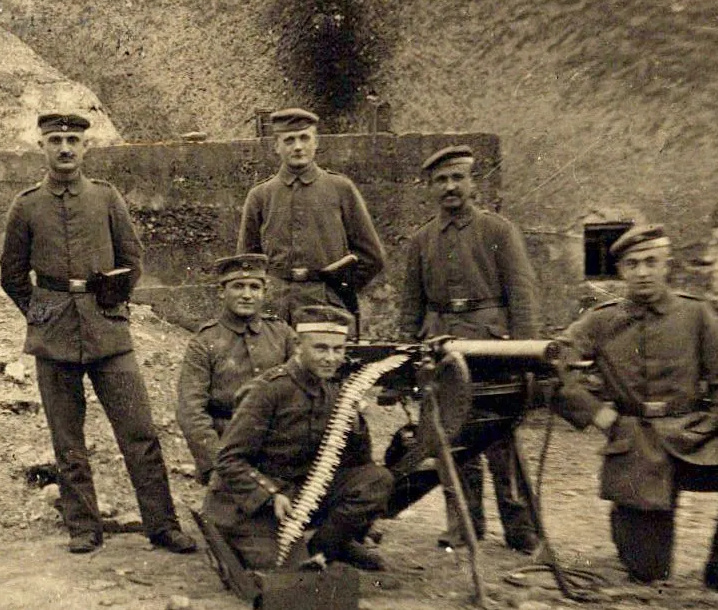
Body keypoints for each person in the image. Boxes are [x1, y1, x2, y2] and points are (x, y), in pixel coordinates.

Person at [0, 112, 197, 556]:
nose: (65, 148)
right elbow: (11, 274)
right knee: (67, 439)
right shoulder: (26, 205)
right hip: (54, 336)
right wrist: (40, 314)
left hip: (108, 332)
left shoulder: (106, 198)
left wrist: (113, 300)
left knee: (139, 430)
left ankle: (162, 524)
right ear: (42, 147)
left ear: (86, 148)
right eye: (56, 140)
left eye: (73, 140)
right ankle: (84, 526)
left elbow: (133, 256)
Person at [552, 224, 718, 598]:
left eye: (651, 262)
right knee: (650, 573)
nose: (642, 272)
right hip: (634, 447)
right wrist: (596, 414)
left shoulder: (696, 314)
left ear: (665, 264)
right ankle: (634, 527)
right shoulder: (600, 319)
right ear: (621, 271)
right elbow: (551, 365)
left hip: (693, 438)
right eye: (633, 264)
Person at [391, 145, 539, 552]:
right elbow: (411, 305)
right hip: (440, 345)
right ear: (430, 188)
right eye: (441, 181)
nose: (450, 187)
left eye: (458, 178)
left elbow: (522, 295)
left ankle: (520, 527)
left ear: (473, 183)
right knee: (448, 436)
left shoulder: (498, 231)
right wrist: (408, 355)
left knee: (499, 436)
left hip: (492, 346)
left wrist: (525, 353)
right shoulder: (422, 240)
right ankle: (465, 525)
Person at [204, 305, 393, 572]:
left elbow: (356, 464)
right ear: (298, 346)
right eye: (321, 348)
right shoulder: (268, 390)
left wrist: (357, 424)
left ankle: (327, 547)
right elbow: (227, 460)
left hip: (300, 495)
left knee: (376, 480)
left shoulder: (333, 390)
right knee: (286, 576)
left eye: (337, 349)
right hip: (251, 503)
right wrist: (271, 494)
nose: (330, 358)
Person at [236, 108, 385, 326]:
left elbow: (372, 257)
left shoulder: (341, 188)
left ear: (316, 142)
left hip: (325, 304)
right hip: (273, 306)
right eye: (289, 140)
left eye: (304, 138)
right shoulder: (260, 195)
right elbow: (246, 261)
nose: (298, 147)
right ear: (276, 146)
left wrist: (339, 290)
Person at [175, 253, 295, 483]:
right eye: (238, 286)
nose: (247, 295)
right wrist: (217, 465)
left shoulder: (283, 334)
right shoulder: (203, 342)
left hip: (280, 446)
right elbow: (191, 412)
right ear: (222, 292)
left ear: (264, 292)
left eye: (254, 287)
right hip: (229, 448)